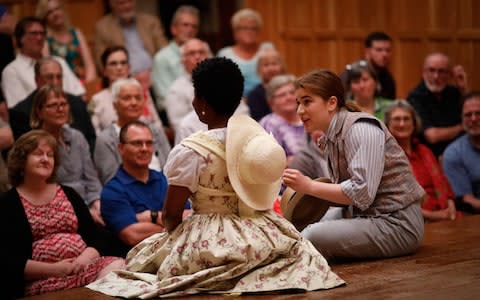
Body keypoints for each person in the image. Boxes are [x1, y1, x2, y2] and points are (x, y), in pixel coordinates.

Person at [86, 57, 344, 297]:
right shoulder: (259, 140)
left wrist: (175, 240)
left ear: (201, 103)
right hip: (262, 230)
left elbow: (173, 215)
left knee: (143, 261)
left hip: (208, 235)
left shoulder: (190, 150)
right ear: (237, 98)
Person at [282, 69, 424, 261]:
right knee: (294, 231)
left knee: (311, 236)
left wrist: (308, 186)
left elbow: (361, 193)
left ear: (332, 103)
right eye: (298, 103)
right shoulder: (332, 135)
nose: (299, 111)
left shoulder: (361, 129)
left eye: (307, 102)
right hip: (364, 216)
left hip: (398, 224)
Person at [0, 130, 124, 298]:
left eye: (50, 155)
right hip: (42, 280)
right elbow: (8, 259)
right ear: (21, 160)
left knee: (119, 267)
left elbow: (97, 236)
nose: (45, 159)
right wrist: (55, 269)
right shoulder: (9, 203)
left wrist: (84, 258)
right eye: (38, 154)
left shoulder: (68, 193)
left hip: (84, 269)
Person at [100, 121, 185, 257]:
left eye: (149, 143)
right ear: (121, 148)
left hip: (178, 251)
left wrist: (152, 217)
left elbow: (188, 216)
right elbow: (132, 235)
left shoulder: (166, 179)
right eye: (137, 143)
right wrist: (172, 223)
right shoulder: (112, 192)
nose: (145, 148)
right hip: (140, 260)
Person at [30, 84, 104, 225]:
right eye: (52, 105)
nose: (60, 109)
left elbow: (91, 177)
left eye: (63, 104)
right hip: (57, 210)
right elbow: (43, 189)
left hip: (89, 204)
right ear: (39, 112)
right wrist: (84, 211)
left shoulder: (77, 137)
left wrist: (97, 202)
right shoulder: (34, 144)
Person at [384, 100, 459, 222]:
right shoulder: (386, 155)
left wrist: (450, 206)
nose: (402, 124)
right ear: (387, 124)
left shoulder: (424, 150)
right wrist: (436, 216)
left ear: (414, 124)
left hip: (445, 214)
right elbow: (395, 203)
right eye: (397, 119)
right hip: (413, 222)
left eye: (406, 119)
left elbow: (444, 181)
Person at [9, 57, 96, 152]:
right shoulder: (20, 112)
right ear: (37, 80)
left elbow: (91, 139)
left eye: (59, 77)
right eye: (49, 77)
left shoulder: (77, 103)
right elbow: (25, 154)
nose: (55, 82)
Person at [94, 78, 171, 185]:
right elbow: (110, 179)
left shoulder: (155, 130)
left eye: (138, 98)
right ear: (115, 104)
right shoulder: (105, 139)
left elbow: (171, 166)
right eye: (127, 98)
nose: (134, 103)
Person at [1, 16, 85, 108]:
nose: (40, 37)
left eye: (42, 33)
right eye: (34, 33)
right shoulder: (12, 71)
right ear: (21, 38)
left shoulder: (58, 61)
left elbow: (79, 94)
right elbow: (18, 109)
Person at [89, 46, 162, 135]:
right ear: (104, 71)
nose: (119, 67)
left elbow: (157, 125)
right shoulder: (96, 100)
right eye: (113, 64)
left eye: (123, 63)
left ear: (129, 68)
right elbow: (96, 135)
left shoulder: (142, 92)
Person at [407, 52, 464, 158]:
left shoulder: (454, 92)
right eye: (431, 70)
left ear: (449, 74)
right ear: (423, 72)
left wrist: (463, 88)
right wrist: (462, 127)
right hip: (429, 155)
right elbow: (432, 136)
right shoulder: (415, 96)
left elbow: (471, 115)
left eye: (441, 71)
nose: (436, 76)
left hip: (457, 152)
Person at [94, 0, 167, 75]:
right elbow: (101, 62)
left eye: (130, 1)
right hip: (124, 77)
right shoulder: (103, 27)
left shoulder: (150, 22)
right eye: (122, 3)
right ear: (112, 4)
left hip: (155, 73)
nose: (127, 6)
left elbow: (164, 50)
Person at [35, 0, 97, 84]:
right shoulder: (45, 39)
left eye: (57, 9)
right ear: (44, 17)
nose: (55, 14)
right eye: (49, 12)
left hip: (83, 83)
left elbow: (90, 66)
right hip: (59, 85)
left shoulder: (76, 33)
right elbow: (47, 71)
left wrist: (87, 86)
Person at [151, 5, 199, 111]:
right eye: (185, 25)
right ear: (174, 29)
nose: (190, 30)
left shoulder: (203, 52)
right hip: (175, 113)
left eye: (194, 26)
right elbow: (165, 99)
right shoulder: (162, 58)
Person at [217, 8, 274, 97]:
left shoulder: (267, 49)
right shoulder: (225, 54)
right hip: (236, 102)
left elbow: (278, 79)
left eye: (253, 28)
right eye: (244, 28)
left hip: (266, 99)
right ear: (235, 31)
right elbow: (220, 85)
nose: (249, 32)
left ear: (258, 31)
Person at [443, 92, 480, 214]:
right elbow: (467, 200)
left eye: (478, 113)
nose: (473, 119)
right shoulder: (453, 153)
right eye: (468, 115)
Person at [165, 38, 210, 132]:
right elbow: (179, 126)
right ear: (183, 59)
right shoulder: (176, 89)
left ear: (208, 56)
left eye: (201, 52)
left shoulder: (223, 81)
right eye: (192, 53)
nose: (197, 57)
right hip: (195, 142)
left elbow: (241, 112)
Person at [260, 74, 305, 163]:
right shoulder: (269, 123)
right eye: (282, 95)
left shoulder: (307, 117)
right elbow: (271, 162)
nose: (289, 97)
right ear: (271, 102)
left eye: (292, 93)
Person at [340, 32, 396, 99]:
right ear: (367, 51)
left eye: (388, 50)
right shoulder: (351, 72)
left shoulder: (388, 77)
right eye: (379, 50)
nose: (385, 54)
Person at [247, 47, 286, 121]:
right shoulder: (255, 95)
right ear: (259, 69)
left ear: (282, 66)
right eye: (266, 65)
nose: (271, 68)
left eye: (274, 64)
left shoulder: (291, 88)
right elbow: (258, 120)